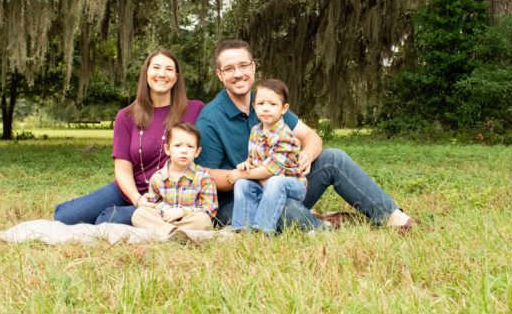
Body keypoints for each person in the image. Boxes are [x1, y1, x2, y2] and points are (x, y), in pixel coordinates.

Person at [195, 39, 418, 232]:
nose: (238, 74)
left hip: (282, 185)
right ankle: (323, 228)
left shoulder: (266, 101)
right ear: (220, 74)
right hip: (239, 201)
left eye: (243, 65)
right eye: (229, 69)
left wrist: (308, 154)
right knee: (287, 211)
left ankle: (396, 219)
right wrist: (253, 175)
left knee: (334, 158)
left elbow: (311, 136)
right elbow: (207, 175)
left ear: (253, 67)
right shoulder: (211, 117)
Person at [53, 48, 205, 226]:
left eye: (169, 69)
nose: (162, 74)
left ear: (177, 77)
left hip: (168, 194)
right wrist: (137, 199)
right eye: (156, 67)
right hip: (129, 189)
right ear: (146, 73)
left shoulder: (195, 110)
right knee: (65, 217)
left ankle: (126, 215)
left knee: (108, 219)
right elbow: (122, 169)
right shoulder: (126, 116)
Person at [229, 79, 306, 233]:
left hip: (292, 184)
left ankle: (263, 229)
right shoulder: (256, 131)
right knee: (242, 184)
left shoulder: (284, 135)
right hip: (264, 182)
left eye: (272, 104)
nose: (266, 109)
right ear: (254, 106)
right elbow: (253, 156)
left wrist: (240, 173)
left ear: (284, 109)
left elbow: (271, 170)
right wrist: (246, 164)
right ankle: (242, 229)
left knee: (274, 182)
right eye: (261, 104)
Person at [132, 121, 218, 241]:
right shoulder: (157, 178)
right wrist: (166, 209)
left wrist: (182, 211)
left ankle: (166, 234)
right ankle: (173, 234)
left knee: (203, 220)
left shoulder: (203, 177)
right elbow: (153, 205)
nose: (184, 150)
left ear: (197, 152)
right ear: (167, 149)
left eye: (190, 146)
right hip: (164, 220)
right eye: (178, 145)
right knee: (139, 214)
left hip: (188, 221)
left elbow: (210, 209)